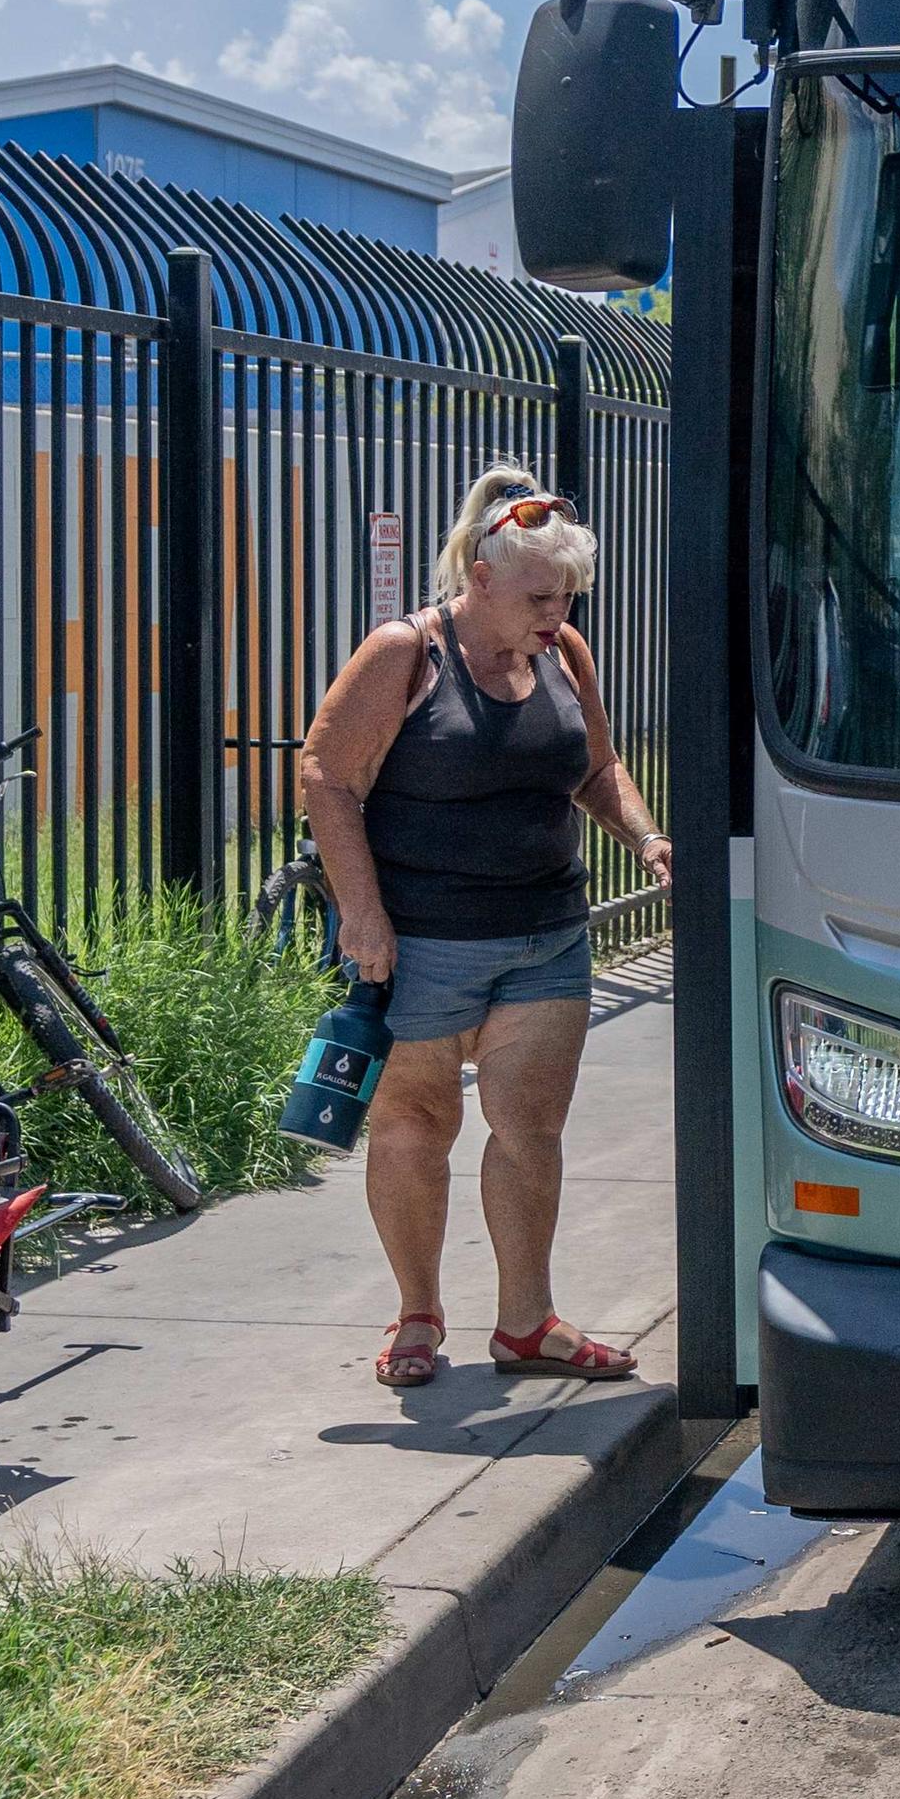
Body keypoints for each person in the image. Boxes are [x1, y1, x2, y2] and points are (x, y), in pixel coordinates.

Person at [298, 466, 671, 1388]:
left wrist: (648, 834)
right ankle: (418, 1314)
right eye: (542, 593)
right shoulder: (404, 654)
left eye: (569, 594)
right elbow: (325, 776)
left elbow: (595, 767)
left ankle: (524, 1322)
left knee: (528, 1130)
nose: (558, 610)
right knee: (417, 1126)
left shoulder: (562, 654)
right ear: (481, 573)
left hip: (546, 935)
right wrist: (364, 913)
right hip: (420, 944)